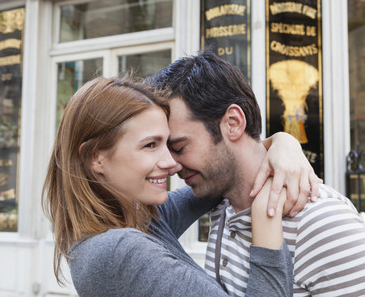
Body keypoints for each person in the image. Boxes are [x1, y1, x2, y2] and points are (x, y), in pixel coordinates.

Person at [146, 50, 365, 296]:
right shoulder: (222, 206)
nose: (172, 164)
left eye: (179, 147)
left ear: (233, 123)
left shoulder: (326, 223)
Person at [42, 76, 302, 296]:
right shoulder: (121, 252)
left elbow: (217, 176)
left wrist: (283, 142)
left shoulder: (137, 219)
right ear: (95, 157)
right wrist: (265, 213)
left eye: (172, 145)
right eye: (150, 145)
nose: (171, 163)